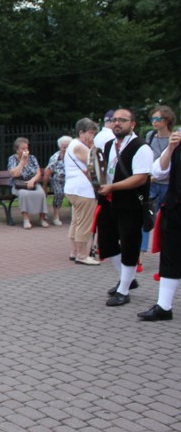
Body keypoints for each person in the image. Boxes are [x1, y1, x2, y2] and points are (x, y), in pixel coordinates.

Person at [97, 109, 153, 307]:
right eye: (114, 120)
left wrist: (113, 186)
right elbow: (104, 171)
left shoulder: (141, 147)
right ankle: (127, 278)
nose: (117, 123)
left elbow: (140, 178)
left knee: (129, 244)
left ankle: (124, 290)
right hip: (109, 201)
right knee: (106, 242)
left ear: (133, 124)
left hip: (130, 203)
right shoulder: (109, 145)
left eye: (122, 120)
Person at [138, 127, 181, 321]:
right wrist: (171, 148)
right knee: (170, 257)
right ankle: (164, 306)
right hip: (175, 209)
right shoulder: (177, 143)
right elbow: (158, 171)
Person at [139, 105, 176, 263]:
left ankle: (167, 255)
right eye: (152, 119)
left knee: (168, 220)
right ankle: (139, 255)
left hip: (169, 184)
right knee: (146, 217)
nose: (154, 122)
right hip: (152, 183)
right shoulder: (150, 136)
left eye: (157, 118)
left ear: (166, 120)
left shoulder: (175, 137)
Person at [64, 119, 100, 265]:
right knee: (84, 223)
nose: (92, 136)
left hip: (74, 189)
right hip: (83, 191)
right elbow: (95, 162)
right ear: (81, 133)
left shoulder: (73, 144)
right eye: (90, 133)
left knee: (77, 221)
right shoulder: (79, 146)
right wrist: (93, 147)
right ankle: (82, 255)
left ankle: (74, 252)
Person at [7, 137, 50, 229]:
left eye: (27, 148)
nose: (26, 150)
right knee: (24, 194)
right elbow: (15, 174)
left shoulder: (32, 158)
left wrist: (32, 180)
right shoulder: (12, 159)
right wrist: (22, 161)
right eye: (23, 149)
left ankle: (42, 218)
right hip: (19, 184)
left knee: (41, 193)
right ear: (17, 150)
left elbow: (38, 173)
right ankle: (26, 219)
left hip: (32, 182)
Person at [43, 135, 72, 226]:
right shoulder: (55, 158)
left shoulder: (73, 156)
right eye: (64, 147)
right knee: (59, 193)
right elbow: (47, 173)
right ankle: (56, 216)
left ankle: (75, 216)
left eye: (68, 147)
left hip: (70, 180)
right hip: (57, 180)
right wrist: (45, 188)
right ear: (60, 147)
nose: (66, 149)